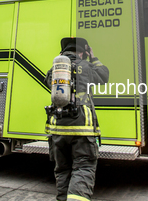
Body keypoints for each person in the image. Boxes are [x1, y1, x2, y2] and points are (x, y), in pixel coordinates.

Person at [44, 37, 109, 201]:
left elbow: (47, 82)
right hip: (82, 128)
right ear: (82, 52)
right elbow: (104, 76)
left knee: (62, 170)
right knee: (84, 167)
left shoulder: (55, 69)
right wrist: (93, 57)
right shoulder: (86, 66)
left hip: (57, 129)